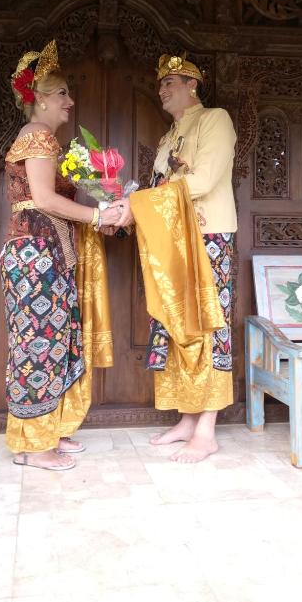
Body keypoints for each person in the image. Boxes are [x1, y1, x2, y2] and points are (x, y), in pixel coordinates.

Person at [1, 40, 122, 471]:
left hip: (48, 254)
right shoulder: (37, 135)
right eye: (62, 93)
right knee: (39, 344)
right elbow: (44, 199)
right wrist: (99, 214)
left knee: (55, 342)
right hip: (35, 256)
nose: (70, 101)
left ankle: (49, 430)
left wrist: (101, 209)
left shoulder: (47, 139)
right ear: (41, 98)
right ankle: (34, 446)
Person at [114, 52, 237, 464]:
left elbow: (203, 180)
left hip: (207, 235)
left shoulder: (215, 120)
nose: (162, 89)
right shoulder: (169, 137)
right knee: (174, 325)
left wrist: (137, 204)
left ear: (192, 85)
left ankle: (207, 429)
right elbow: (158, 186)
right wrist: (126, 206)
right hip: (170, 239)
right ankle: (187, 417)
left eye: (170, 82)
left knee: (208, 324)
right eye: (161, 83)